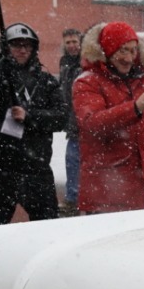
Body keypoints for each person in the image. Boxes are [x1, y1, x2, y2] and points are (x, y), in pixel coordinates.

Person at [72, 21, 144, 213]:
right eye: (122, 51)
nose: (128, 58)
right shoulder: (87, 82)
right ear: (107, 52)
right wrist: (135, 108)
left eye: (133, 51)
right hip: (107, 195)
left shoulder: (142, 81)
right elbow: (92, 124)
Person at [0, 23, 66, 225]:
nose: (22, 50)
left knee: (48, 226)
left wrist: (30, 116)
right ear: (6, 48)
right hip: (0, 168)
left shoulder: (46, 81)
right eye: (16, 45)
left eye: (27, 45)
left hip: (36, 166)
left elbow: (61, 117)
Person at [58, 27, 84, 215]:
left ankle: (75, 198)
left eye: (74, 42)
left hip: (82, 119)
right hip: (72, 121)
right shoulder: (65, 62)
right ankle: (73, 198)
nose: (72, 46)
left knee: (75, 159)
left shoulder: (85, 63)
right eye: (68, 42)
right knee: (72, 160)